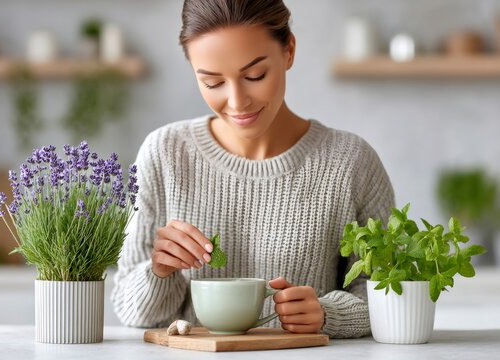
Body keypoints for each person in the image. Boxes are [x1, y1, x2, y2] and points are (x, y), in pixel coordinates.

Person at [111, 0, 394, 338]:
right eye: (213, 83)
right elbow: (131, 311)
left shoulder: (350, 162)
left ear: (288, 50)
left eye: (255, 75)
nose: (237, 101)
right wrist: (159, 272)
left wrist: (327, 314)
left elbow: (391, 293)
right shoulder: (165, 154)